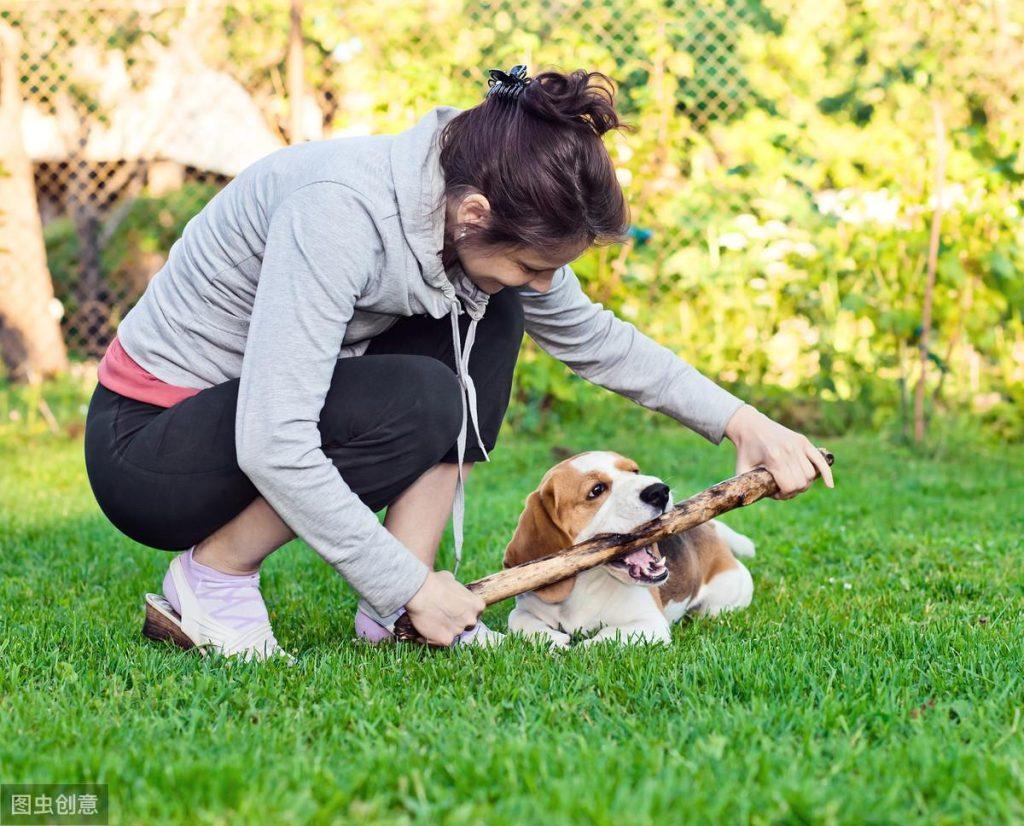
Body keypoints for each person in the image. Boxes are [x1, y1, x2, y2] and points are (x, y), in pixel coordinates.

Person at [83, 66, 834, 660]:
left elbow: (594, 336)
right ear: (475, 214)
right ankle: (214, 579)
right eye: (538, 264)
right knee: (420, 392)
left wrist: (741, 421)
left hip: (243, 417)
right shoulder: (339, 212)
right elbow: (273, 440)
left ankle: (392, 619)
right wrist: (408, 584)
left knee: (497, 304)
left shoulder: (467, 214)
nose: (549, 285)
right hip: (152, 444)